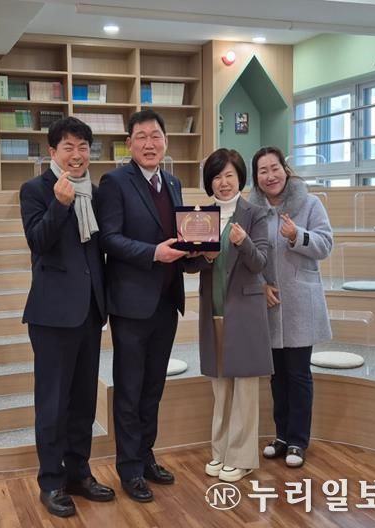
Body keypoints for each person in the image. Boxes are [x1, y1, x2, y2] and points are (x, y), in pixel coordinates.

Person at [20, 117, 115, 518]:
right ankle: (51, 482)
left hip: (89, 311)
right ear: (53, 152)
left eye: (83, 147)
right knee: (53, 404)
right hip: (52, 314)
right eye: (68, 147)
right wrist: (59, 205)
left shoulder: (95, 192)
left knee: (82, 402)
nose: (77, 155)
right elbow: (37, 242)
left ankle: (78, 473)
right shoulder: (36, 190)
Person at [97, 109, 187, 502]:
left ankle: (146, 456)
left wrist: (199, 251)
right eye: (141, 137)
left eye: (156, 136)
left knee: (153, 387)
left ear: (166, 141)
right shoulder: (115, 182)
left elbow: (181, 237)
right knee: (130, 390)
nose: (149, 144)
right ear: (129, 143)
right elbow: (109, 239)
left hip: (167, 302)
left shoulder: (174, 182)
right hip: (131, 305)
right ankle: (129, 468)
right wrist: (153, 253)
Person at [185, 148, 273, 482]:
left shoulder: (255, 214)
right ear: (209, 182)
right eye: (217, 177)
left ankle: (242, 457)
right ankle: (220, 452)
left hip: (246, 313)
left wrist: (244, 242)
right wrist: (203, 257)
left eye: (229, 175)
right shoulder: (201, 215)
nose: (223, 182)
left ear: (240, 178)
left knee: (245, 388)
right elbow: (190, 265)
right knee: (220, 387)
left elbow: (260, 262)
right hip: (214, 311)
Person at [248, 146, 333, 468]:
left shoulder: (310, 203)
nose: (270, 176)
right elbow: (247, 256)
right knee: (277, 375)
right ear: (256, 177)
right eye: (263, 171)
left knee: (298, 374)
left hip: (300, 302)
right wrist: (260, 285)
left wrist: (298, 235)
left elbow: (325, 244)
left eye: (275, 168)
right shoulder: (252, 210)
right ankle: (281, 436)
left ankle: (298, 440)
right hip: (268, 303)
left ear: (285, 169)